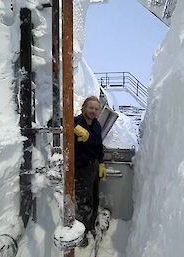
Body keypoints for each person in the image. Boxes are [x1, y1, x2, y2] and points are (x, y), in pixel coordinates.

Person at [74, 96, 106, 247]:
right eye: (90, 107)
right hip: (80, 169)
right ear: (84, 108)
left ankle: (91, 226)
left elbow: (99, 147)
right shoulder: (76, 121)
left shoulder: (97, 125)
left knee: (94, 199)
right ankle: (81, 234)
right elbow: (54, 122)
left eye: (95, 109)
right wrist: (74, 127)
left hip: (93, 167)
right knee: (83, 203)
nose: (93, 111)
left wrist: (101, 164)